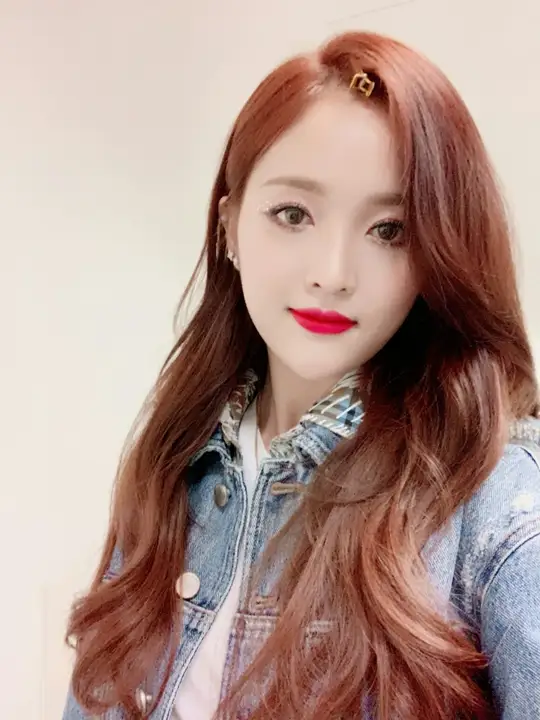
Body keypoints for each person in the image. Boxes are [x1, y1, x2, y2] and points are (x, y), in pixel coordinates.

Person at [62, 30, 540, 720]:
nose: (333, 273)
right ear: (229, 226)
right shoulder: (172, 467)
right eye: (293, 214)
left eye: (390, 230)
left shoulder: (499, 508)